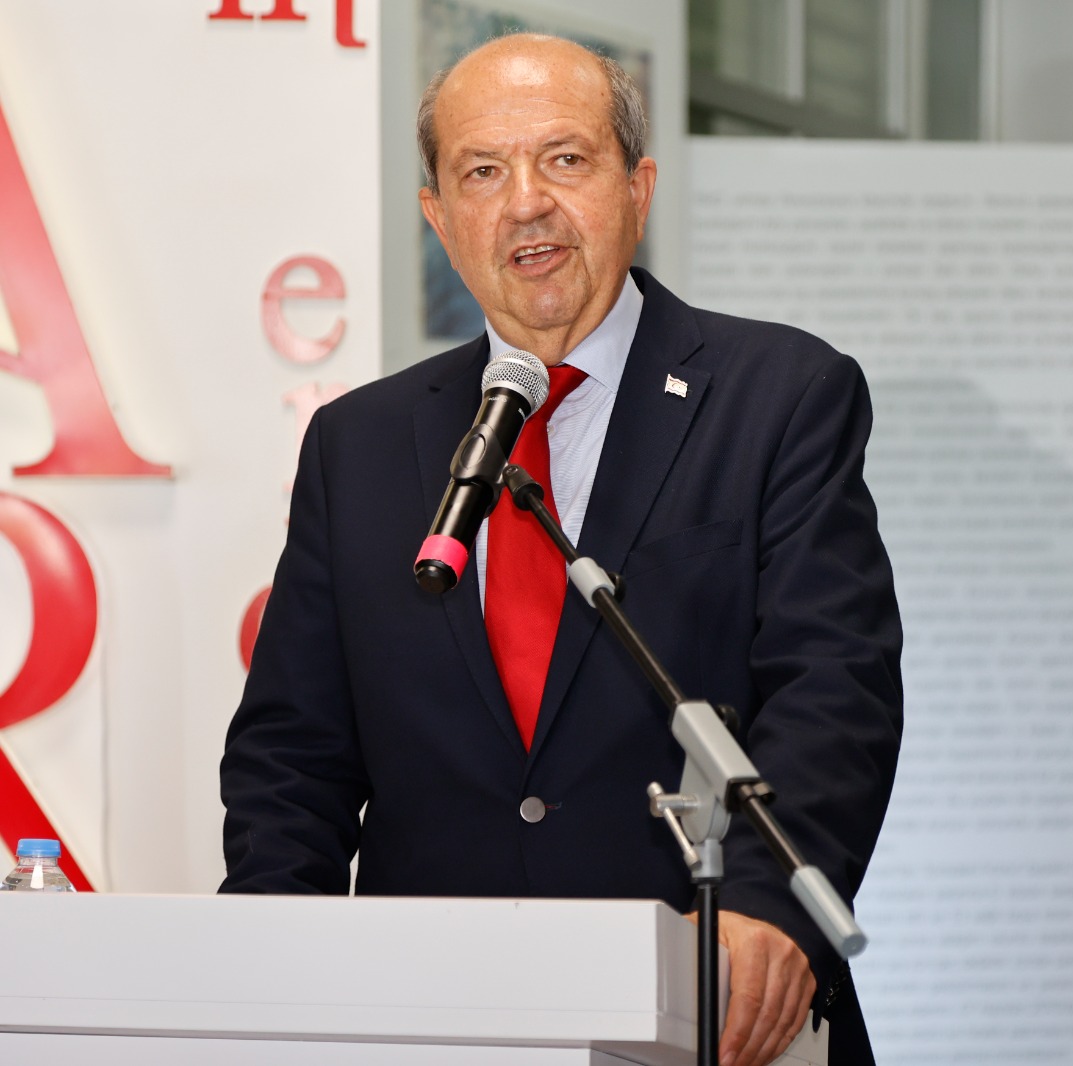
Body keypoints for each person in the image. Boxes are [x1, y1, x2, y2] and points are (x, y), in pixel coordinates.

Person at [218, 34, 903, 1066]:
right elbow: (292, 757)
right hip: (432, 1023)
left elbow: (834, 687)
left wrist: (771, 907)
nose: (526, 202)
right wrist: (269, 982)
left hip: (713, 1009)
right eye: (482, 173)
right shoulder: (358, 444)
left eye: (565, 159)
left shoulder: (780, 395)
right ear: (439, 218)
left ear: (638, 187)